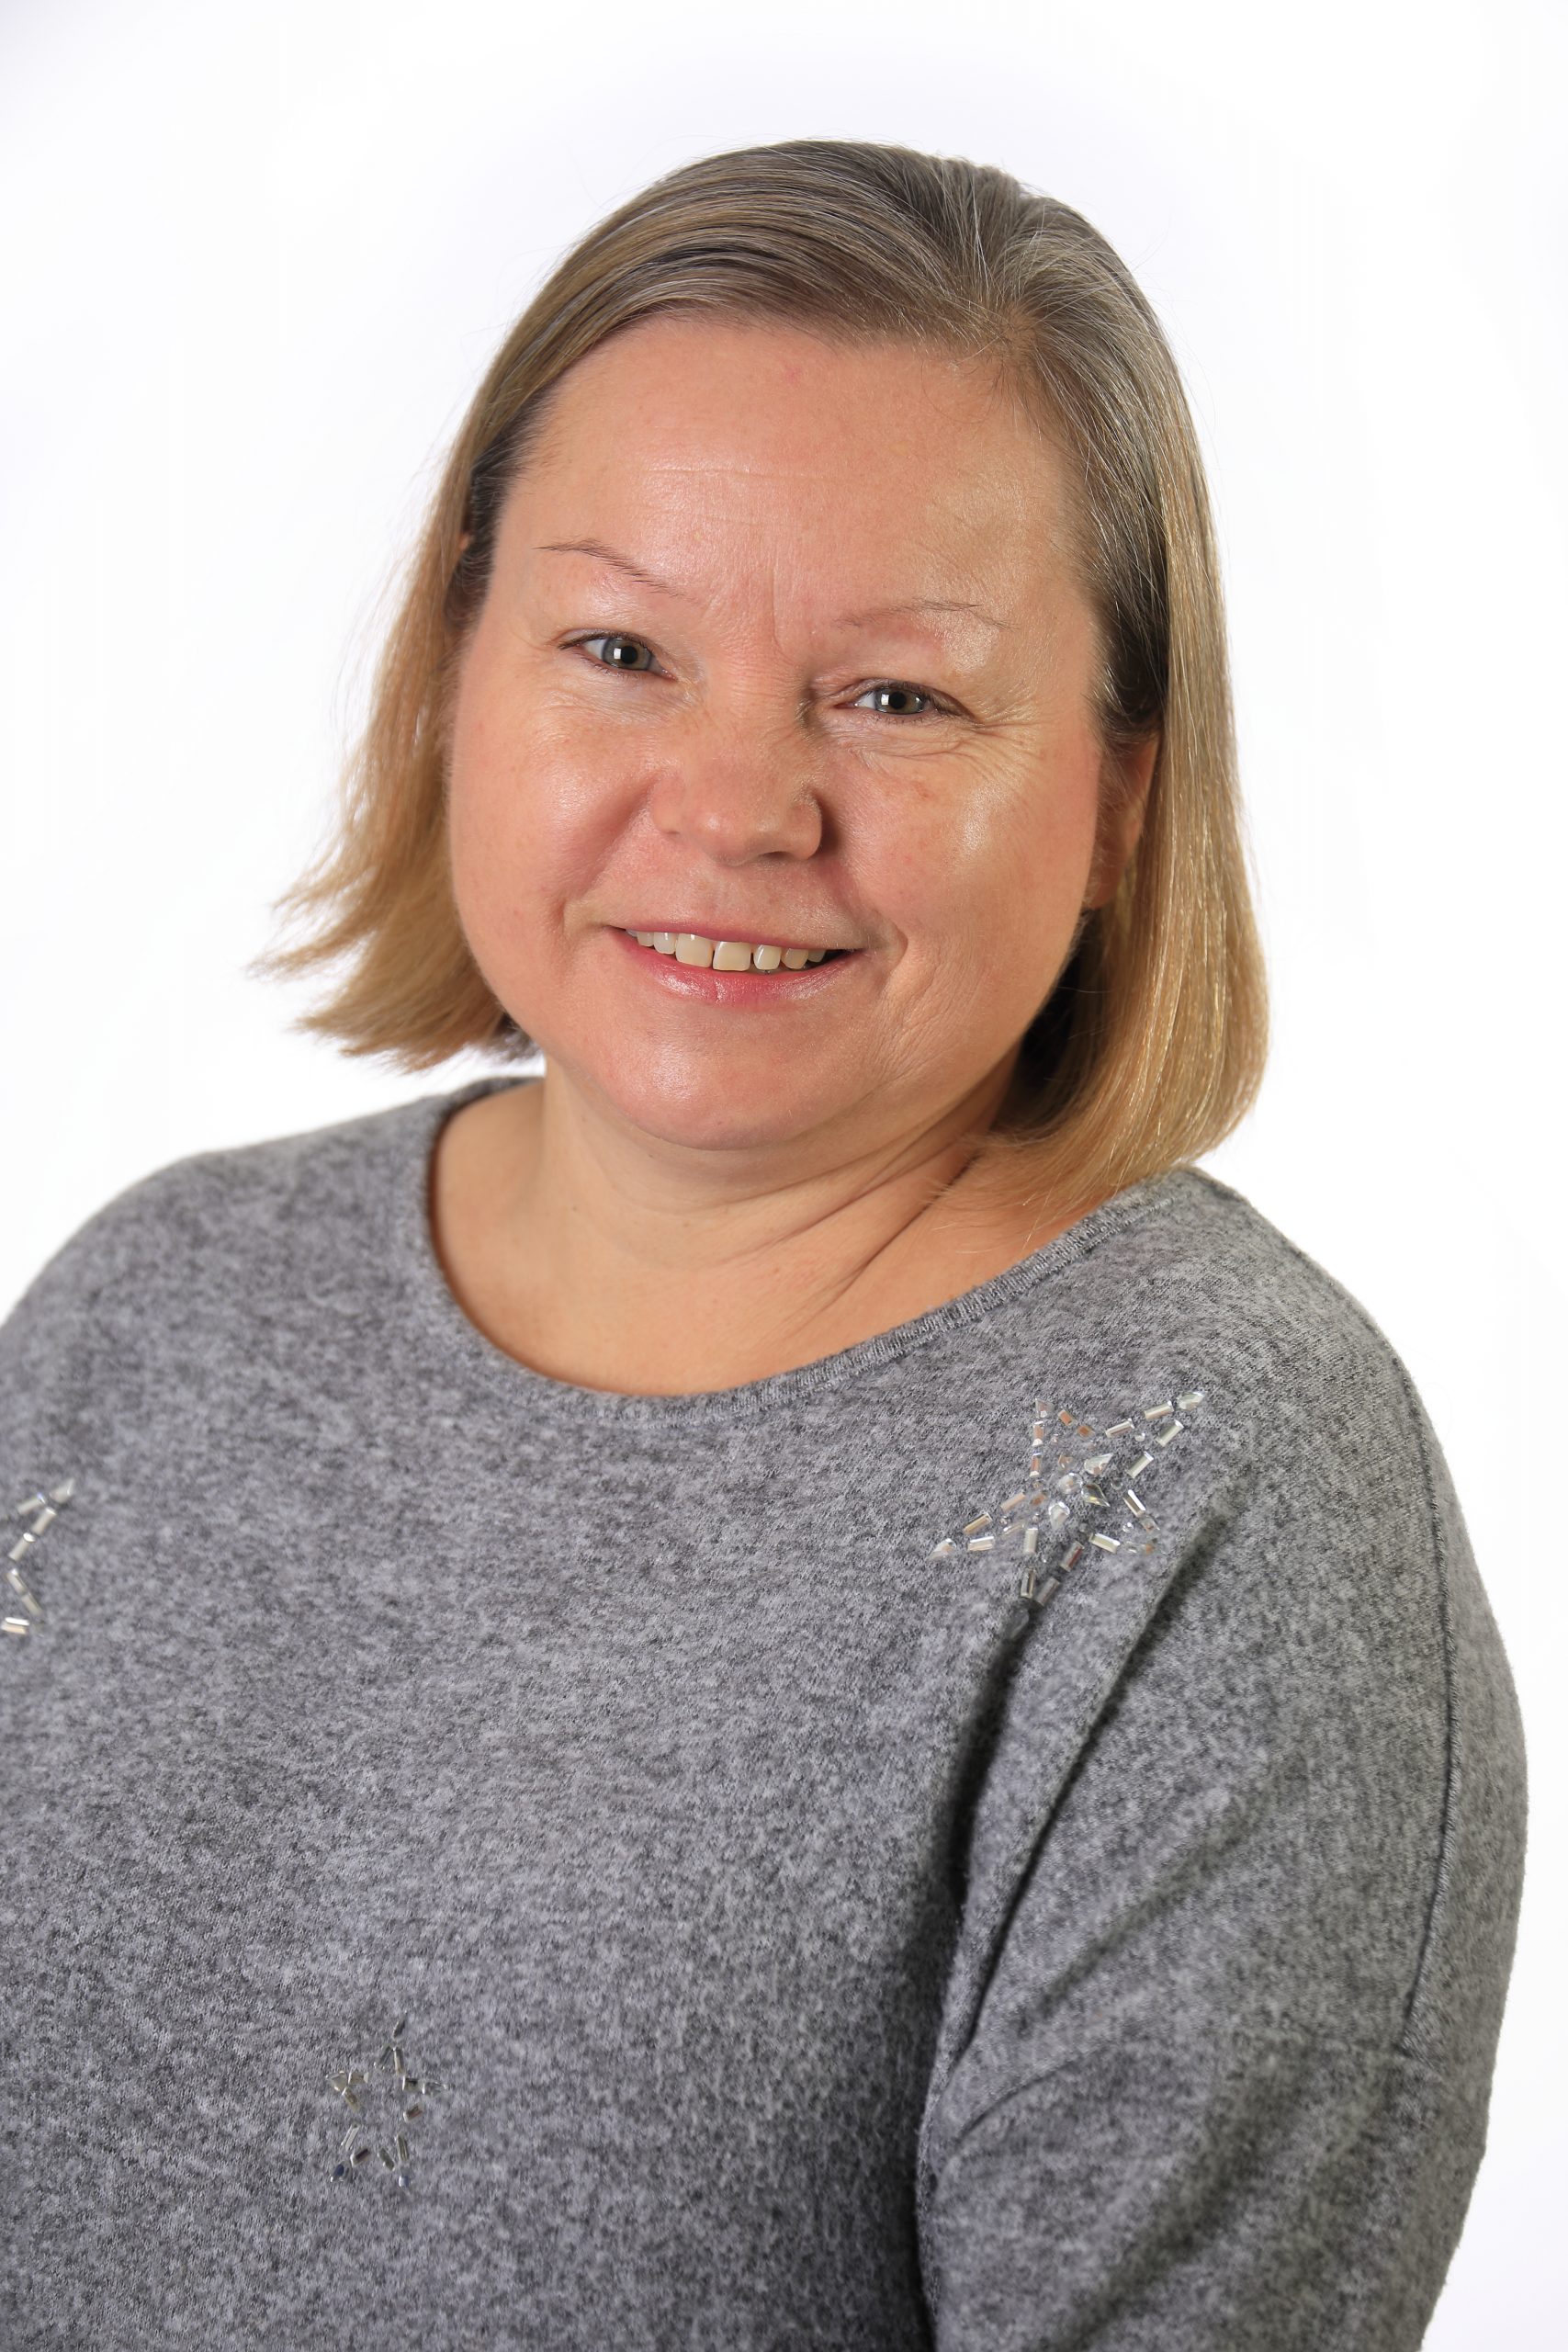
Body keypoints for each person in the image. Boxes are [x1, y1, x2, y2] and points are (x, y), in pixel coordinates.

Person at [0, 139, 1526, 2349]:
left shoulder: (1218, 1489)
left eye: (893, 696)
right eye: (619, 646)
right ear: (458, 678)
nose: (736, 805)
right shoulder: (150, 1313)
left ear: (1113, 794)